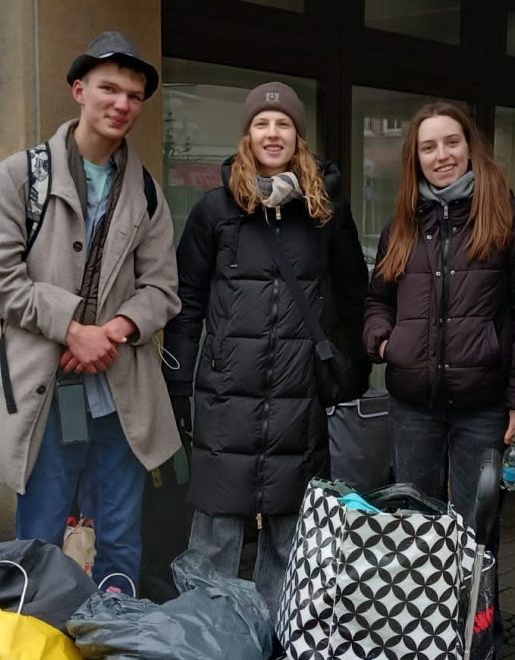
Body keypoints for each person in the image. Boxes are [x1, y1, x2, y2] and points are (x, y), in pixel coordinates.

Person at [0, 31, 181, 590]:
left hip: (121, 391)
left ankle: (116, 627)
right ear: (78, 90)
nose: (122, 104)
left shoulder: (147, 191)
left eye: (134, 96)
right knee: (38, 540)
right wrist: (71, 329)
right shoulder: (23, 175)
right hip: (46, 388)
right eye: (108, 89)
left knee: (121, 537)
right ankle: (36, 624)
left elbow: (163, 288)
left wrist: (114, 330)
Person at [162, 82, 369, 617]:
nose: (272, 133)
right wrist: (179, 381)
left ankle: (278, 635)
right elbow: (186, 301)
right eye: (261, 124)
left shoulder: (326, 212)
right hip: (225, 395)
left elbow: (353, 295)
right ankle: (207, 636)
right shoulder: (214, 210)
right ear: (247, 135)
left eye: (283, 124)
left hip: (298, 397)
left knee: (287, 532)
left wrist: (348, 371)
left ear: (298, 136)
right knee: (215, 532)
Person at [363, 103, 515, 651]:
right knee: (413, 527)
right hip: (413, 403)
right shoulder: (404, 220)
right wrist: (385, 342)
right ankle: (418, 635)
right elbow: (376, 300)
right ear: (415, 158)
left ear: (470, 146)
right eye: (429, 147)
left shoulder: (508, 217)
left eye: (451, 142)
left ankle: (475, 638)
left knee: (476, 530)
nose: (441, 155)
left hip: (482, 404)